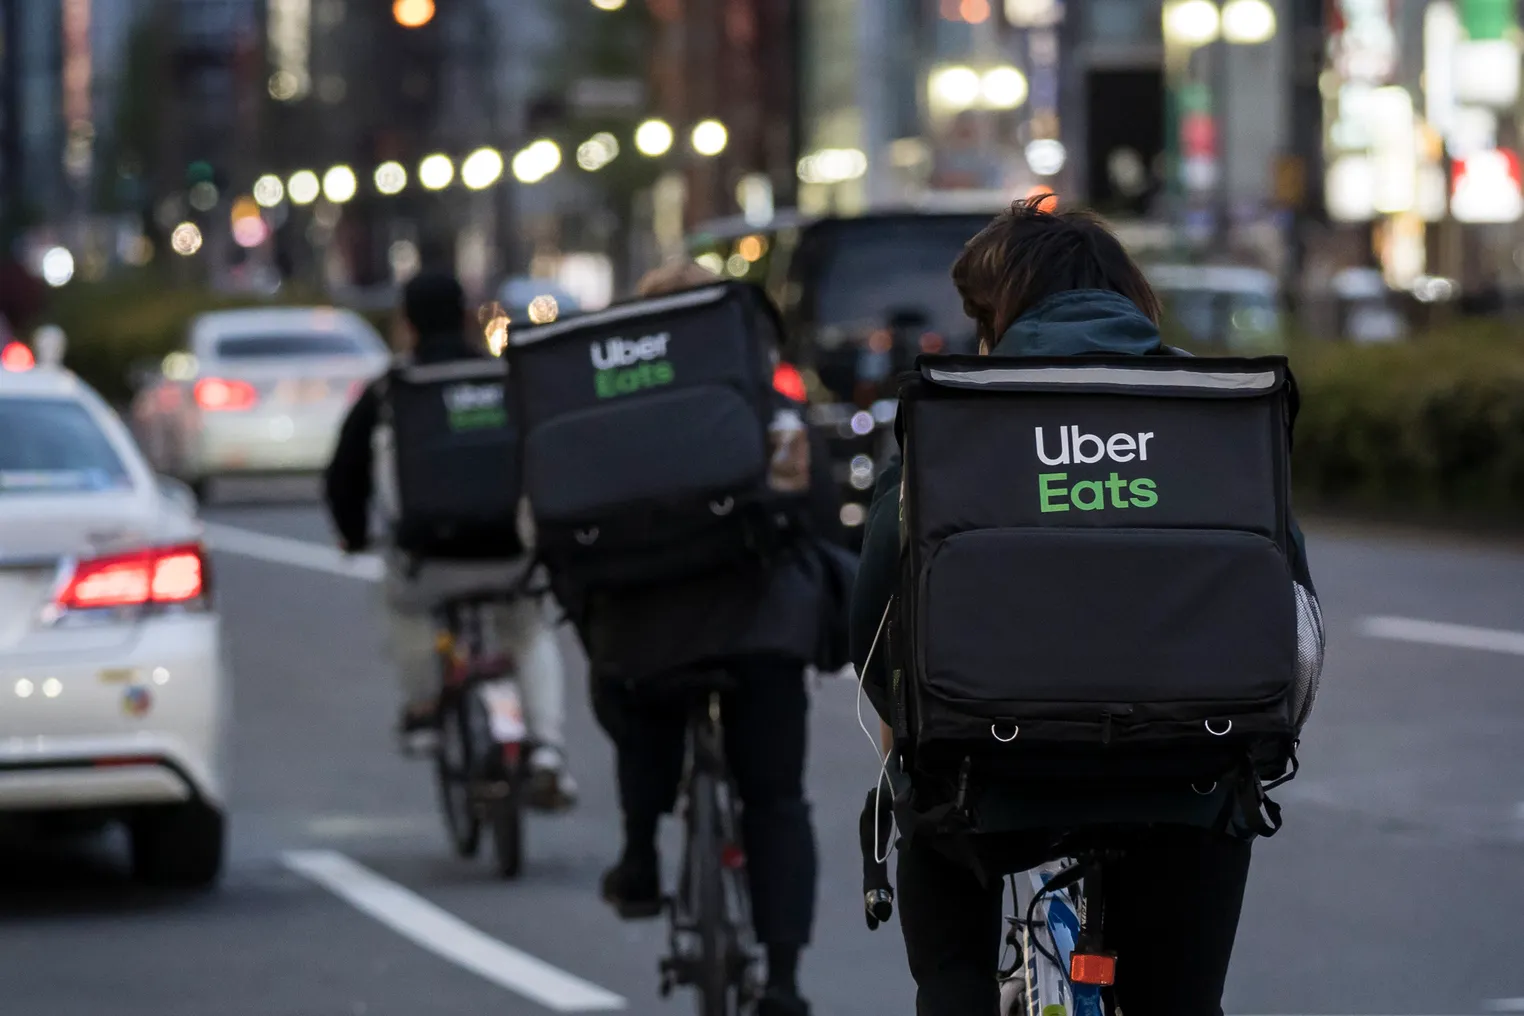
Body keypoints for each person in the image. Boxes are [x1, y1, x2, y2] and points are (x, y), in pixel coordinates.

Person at [850, 199, 1321, 1016]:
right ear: (1129, 296)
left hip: (983, 779)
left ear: (996, 315)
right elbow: (1297, 624)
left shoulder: (959, 411)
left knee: (951, 961)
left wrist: (906, 736)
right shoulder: (1214, 411)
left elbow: (875, 622)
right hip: (1192, 774)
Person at [567, 261, 843, 1016]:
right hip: (762, 624)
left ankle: (638, 854)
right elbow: (813, 503)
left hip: (644, 627)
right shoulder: (763, 396)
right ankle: (783, 980)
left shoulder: (605, 406)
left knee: (634, 692)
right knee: (778, 798)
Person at [324, 271, 576, 810]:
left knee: (402, 606)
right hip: (512, 552)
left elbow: (345, 473)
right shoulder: (507, 376)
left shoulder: (393, 388)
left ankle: (422, 708)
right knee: (529, 632)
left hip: (429, 557)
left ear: (407, 323)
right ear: (468, 316)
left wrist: (352, 535)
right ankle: (548, 749)